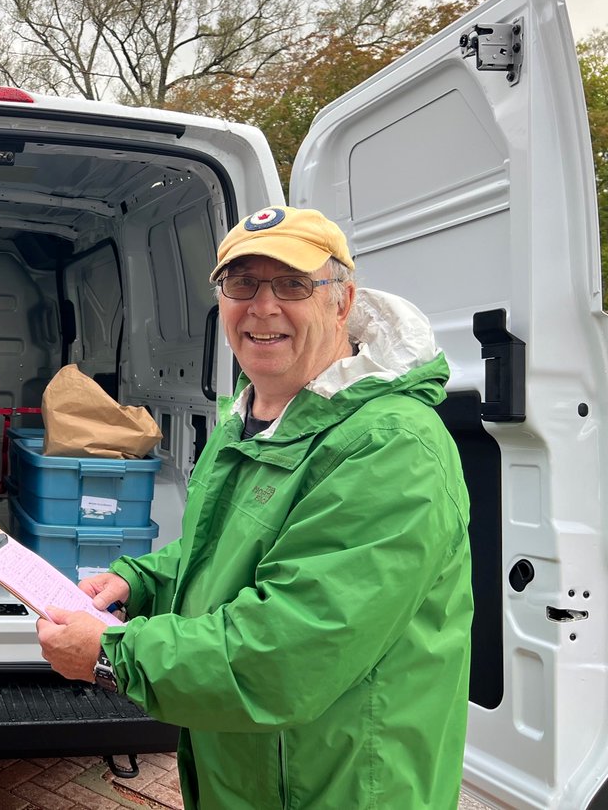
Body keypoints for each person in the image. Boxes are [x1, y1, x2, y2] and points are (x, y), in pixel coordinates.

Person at [37, 205, 473, 809]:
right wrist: (136, 581)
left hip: (338, 784)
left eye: (292, 284)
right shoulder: (252, 417)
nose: (262, 307)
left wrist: (113, 658)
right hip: (253, 770)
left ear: (341, 302)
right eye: (241, 284)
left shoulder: (392, 445)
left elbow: (288, 652)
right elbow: (222, 552)